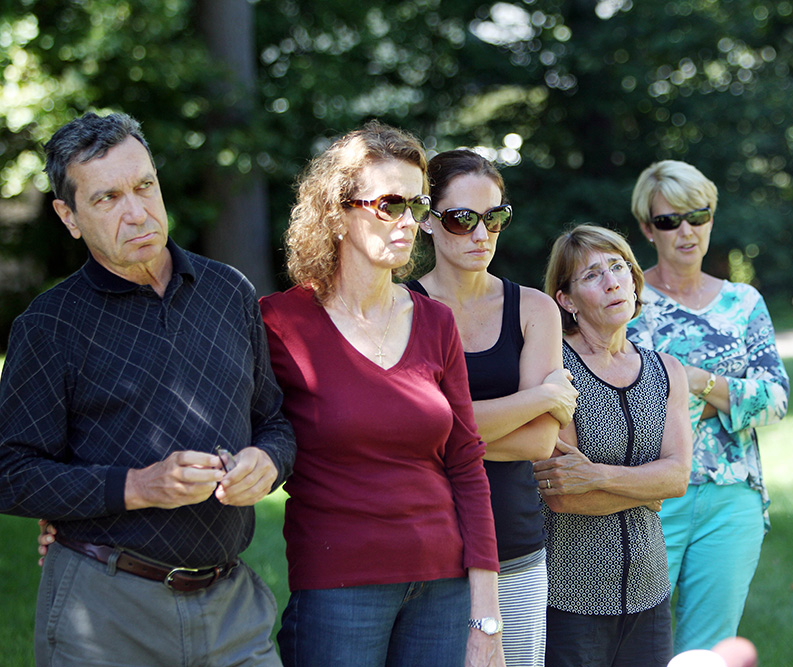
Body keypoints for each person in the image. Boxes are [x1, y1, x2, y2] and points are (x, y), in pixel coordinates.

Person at [0, 112, 297, 666]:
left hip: (232, 607)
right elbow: (10, 473)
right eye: (107, 198)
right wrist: (139, 486)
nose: (136, 212)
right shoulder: (48, 326)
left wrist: (267, 462)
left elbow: (274, 420)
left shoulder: (228, 292)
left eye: (144, 186)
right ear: (69, 216)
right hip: (105, 612)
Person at [259, 122, 503, 667]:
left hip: (443, 588)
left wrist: (485, 616)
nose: (410, 222)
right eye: (390, 204)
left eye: (416, 205)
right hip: (339, 588)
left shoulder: (436, 322)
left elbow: (466, 464)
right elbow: (225, 428)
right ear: (338, 211)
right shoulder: (279, 323)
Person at [406, 149, 577, 666]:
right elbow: (409, 434)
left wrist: (440, 433)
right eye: (463, 219)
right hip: (423, 547)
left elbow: (538, 441)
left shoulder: (534, 308)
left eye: (495, 217)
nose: (482, 234)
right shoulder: (400, 308)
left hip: (515, 545)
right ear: (427, 223)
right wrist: (538, 398)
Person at [625, 160, 789, 652]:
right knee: (634, 647)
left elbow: (776, 400)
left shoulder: (743, 302)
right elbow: (631, 409)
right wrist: (728, 392)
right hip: (650, 500)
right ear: (646, 228)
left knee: (706, 651)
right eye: (670, 220)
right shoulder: (626, 301)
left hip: (732, 499)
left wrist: (692, 381)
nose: (687, 231)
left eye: (698, 215)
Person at [536, 224, 693, 666]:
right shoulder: (554, 368)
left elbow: (678, 477)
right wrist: (646, 488)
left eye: (619, 267)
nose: (612, 282)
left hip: (650, 592)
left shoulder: (667, 371)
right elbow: (563, 493)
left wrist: (600, 476)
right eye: (591, 275)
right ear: (566, 300)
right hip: (571, 596)